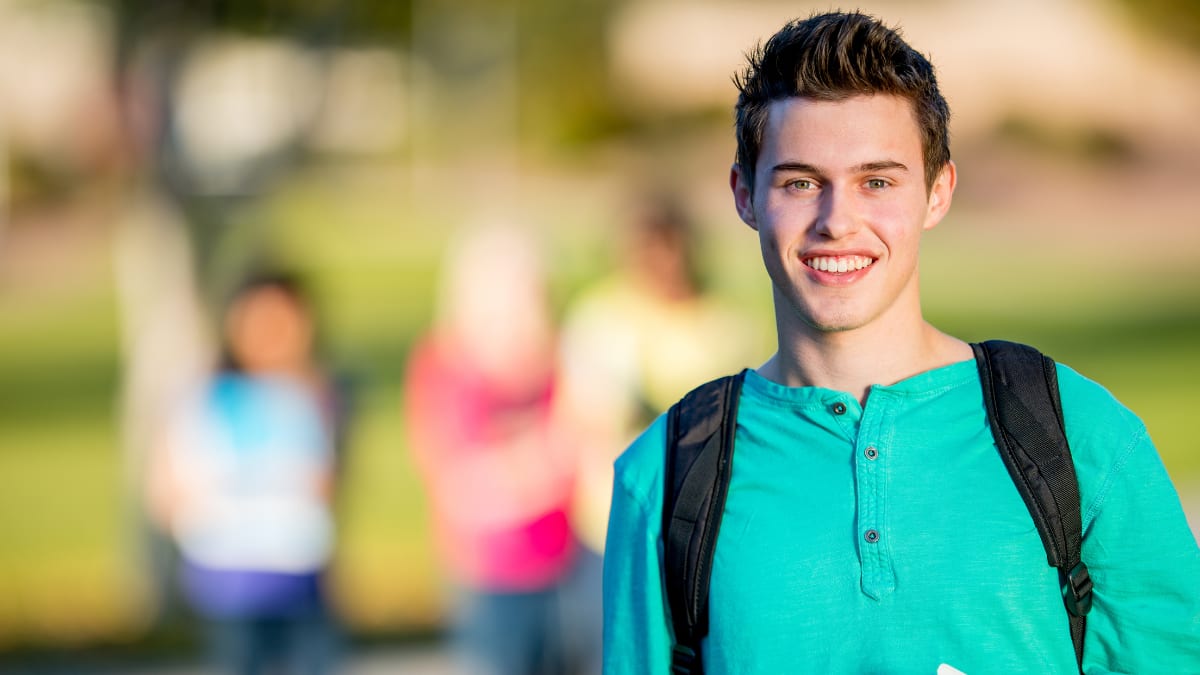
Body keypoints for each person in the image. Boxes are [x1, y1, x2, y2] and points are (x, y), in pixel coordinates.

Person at [601, 11, 1200, 674]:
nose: (837, 221)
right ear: (745, 195)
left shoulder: (1081, 438)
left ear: (937, 192)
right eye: (801, 182)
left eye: (877, 182)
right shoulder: (663, 476)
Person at [555, 194, 760, 673]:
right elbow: (585, 418)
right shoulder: (601, 319)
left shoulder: (726, 326)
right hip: (610, 529)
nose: (660, 265)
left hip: (706, 535)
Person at [148, 272, 344, 675]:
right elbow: (166, 492)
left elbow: (327, 485)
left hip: (299, 575)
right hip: (229, 579)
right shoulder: (204, 393)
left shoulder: (314, 391)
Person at [404, 223, 578, 675]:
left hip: (565, 564)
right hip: (491, 576)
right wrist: (550, 457)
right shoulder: (447, 366)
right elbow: (466, 488)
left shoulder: (555, 360)